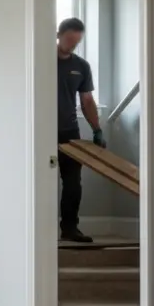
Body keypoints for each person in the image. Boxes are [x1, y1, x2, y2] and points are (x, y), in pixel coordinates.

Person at [56, 17, 106, 244]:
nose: (71, 46)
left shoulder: (81, 66)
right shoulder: (39, 59)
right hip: (39, 131)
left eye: (76, 43)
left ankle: (69, 228)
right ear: (59, 35)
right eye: (68, 40)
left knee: (73, 183)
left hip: (69, 133)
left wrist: (97, 129)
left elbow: (87, 100)